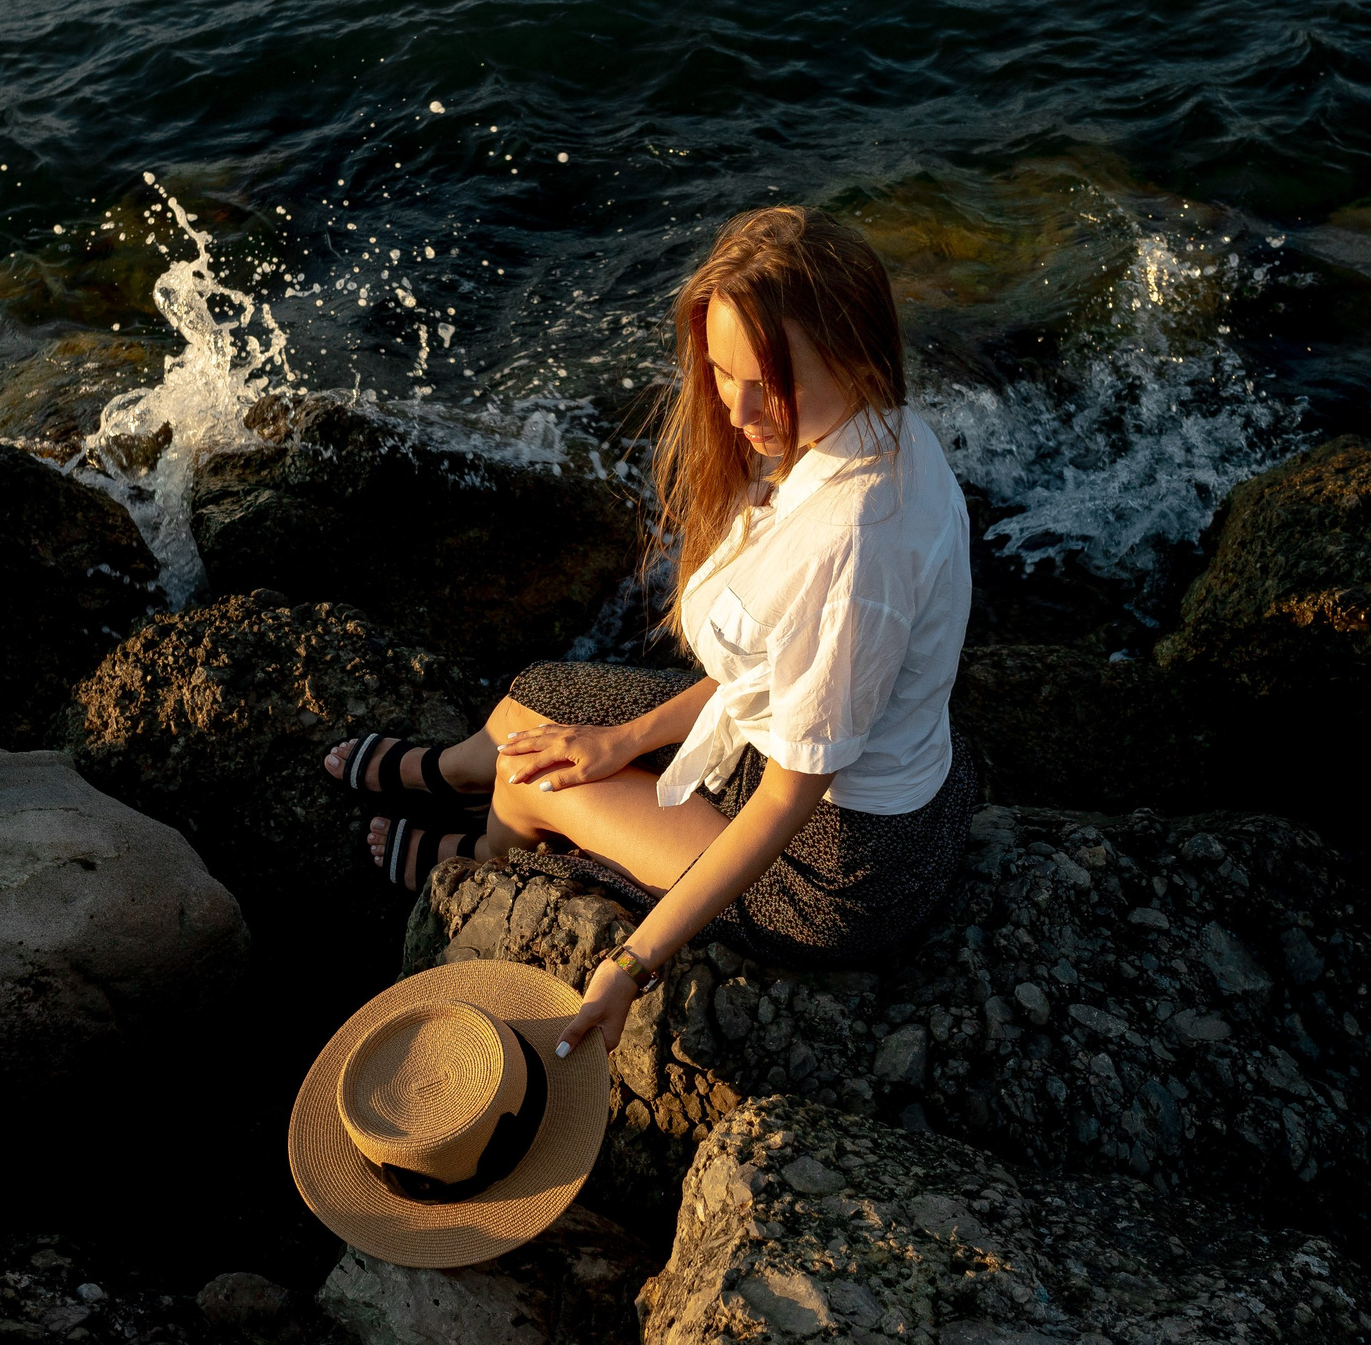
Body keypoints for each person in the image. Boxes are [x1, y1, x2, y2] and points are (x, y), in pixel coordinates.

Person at [324, 206, 975, 1059]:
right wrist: (625, 738)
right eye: (721, 372)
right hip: (829, 763)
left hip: (835, 864)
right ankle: (447, 771)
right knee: (533, 703)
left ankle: (477, 855)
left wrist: (632, 961)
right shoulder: (877, 429)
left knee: (527, 774)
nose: (736, 409)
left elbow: (788, 796)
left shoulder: (854, 541)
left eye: (767, 381)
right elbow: (777, 671)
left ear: (852, 352)